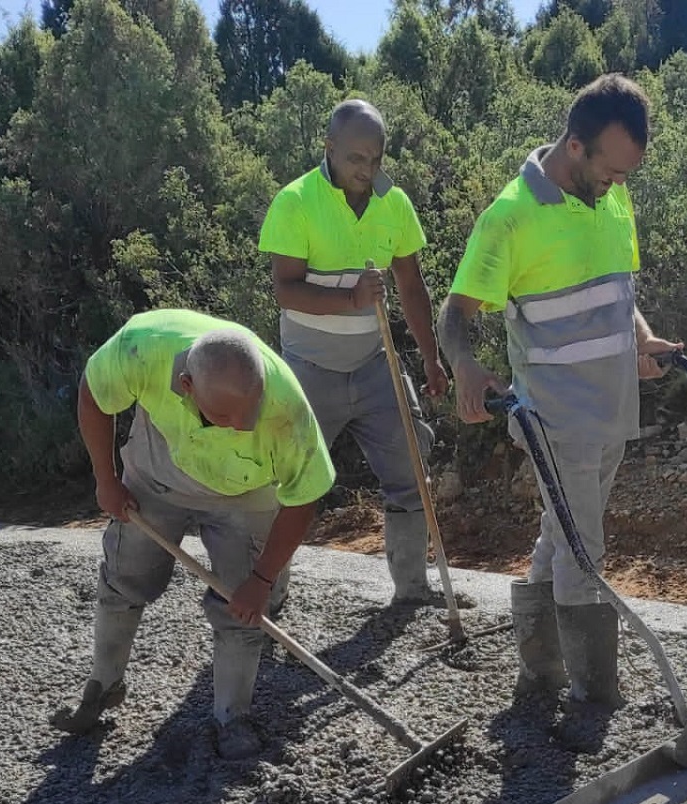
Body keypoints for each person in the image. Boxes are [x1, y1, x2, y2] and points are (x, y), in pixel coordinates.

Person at [439, 74, 681, 708]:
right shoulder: (511, 217)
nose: (617, 185)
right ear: (575, 146)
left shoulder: (611, 197)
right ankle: (594, 697)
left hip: (611, 411)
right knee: (583, 545)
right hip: (556, 417)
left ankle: (539, 673)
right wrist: (466, 366)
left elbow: (617, 295)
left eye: (627, 174)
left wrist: (643, 342)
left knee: (561, 533)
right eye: (610, 170)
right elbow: (454, 314)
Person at [51, 310, 336, 760]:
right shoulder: (141, 347)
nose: (243, 425)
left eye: (251, 411)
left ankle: (232, 717)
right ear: (186, 385)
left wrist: (260, 580)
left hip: (248, 494)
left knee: (243, 609)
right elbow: (93, 393)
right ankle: (101, 689)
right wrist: (106, 480)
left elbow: (304, 498)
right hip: (158, 473)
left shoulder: (287, 409)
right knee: (125, 579)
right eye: (226, 415)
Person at [258, 98, 450, 604]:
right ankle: (268, 597)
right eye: (356, 158)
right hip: (307, 371)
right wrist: (352, 299)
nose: (367, 170)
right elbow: (285, 289)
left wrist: (431, 358)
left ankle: (413, 589)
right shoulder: (296, 201)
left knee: (412, 471)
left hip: (374, 367)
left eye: (376, 158)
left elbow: (411, 285)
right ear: (329, 148)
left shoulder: (395, 204)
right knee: (290, 484)